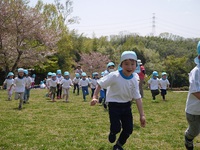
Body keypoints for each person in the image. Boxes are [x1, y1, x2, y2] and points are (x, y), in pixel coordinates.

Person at [91, 51, 146, 150]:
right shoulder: (114, 76)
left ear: (136, 65)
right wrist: (95, 96)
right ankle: (113, 132)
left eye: (132, 64)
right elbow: (100, 83)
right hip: (113, 105)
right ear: (121, 64)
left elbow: (137, 97)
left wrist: (142, 115)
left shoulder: (135, 78)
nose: (129, 67)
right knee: (116, 127)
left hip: (126, 105)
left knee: (128, 129)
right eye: (126, 64)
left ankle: (118, 145)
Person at [184, 41, 200, 150]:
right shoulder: (196, 71)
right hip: (194, 111)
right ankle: (188, 138)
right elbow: (195, 91)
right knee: (194, 131)